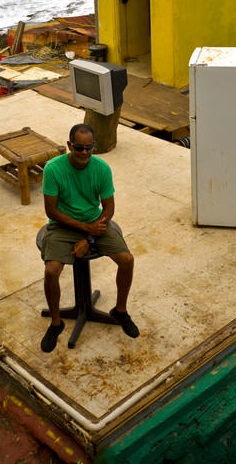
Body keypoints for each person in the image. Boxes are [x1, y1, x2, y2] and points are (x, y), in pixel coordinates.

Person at [39, 123, 138, 352]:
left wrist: (90, 236)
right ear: (69, 145)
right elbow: (51, 211)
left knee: (127, 260)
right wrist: (84, 228)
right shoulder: (53, 169)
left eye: (89, 148)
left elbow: (109, 208)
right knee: (51, 270)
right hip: (62, 224)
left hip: (96, 223)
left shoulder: (101, 168)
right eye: (78, 148)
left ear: (94, 146)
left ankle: (120, 311)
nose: (84, 153)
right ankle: (56, 323)